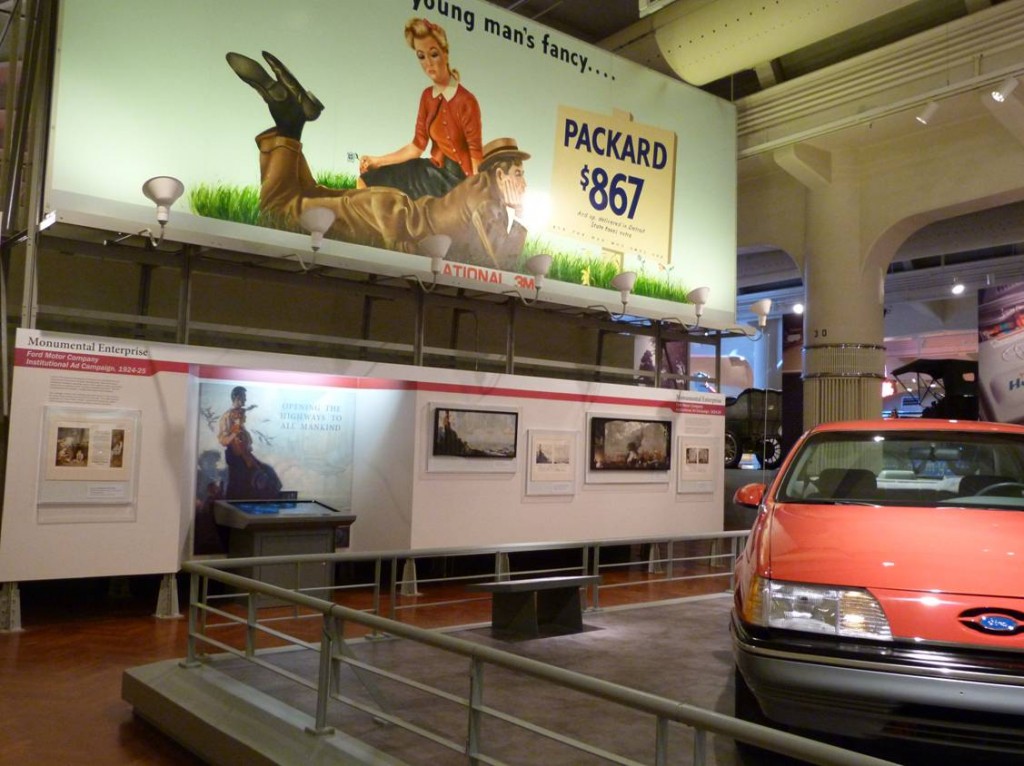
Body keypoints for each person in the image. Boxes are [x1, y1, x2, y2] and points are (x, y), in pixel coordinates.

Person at [225, 50, 528, 271]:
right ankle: (290, 120)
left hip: (391, 212)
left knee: (305, 196)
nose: (523, 182)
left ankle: (292, 117)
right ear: (499, 175)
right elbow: (499, 267)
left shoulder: (481, 194)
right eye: (518, 173)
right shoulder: (485, 199)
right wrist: (521, 216)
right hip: (391, 223)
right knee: (279, 211)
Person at [359, 18, 483, 199]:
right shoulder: (427, 96)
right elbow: (416, 147)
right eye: (421, 56)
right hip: (432, 172)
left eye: (434, 54)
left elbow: (476, 157)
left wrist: (476, 195)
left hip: (457, 181)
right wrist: (378, 161)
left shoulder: (466, 101)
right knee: (368, 180)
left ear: (445, 54)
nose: (428, 63)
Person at [216, 386, 282, 500]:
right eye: (243, 397)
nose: (245, 400)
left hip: (245, 454)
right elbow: (223, 440)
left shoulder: (239, 416)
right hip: (236, 456)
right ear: (237, 397)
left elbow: (244, 412)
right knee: (247, 482)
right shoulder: (227, 417)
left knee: (267, 473)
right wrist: (234, 433)